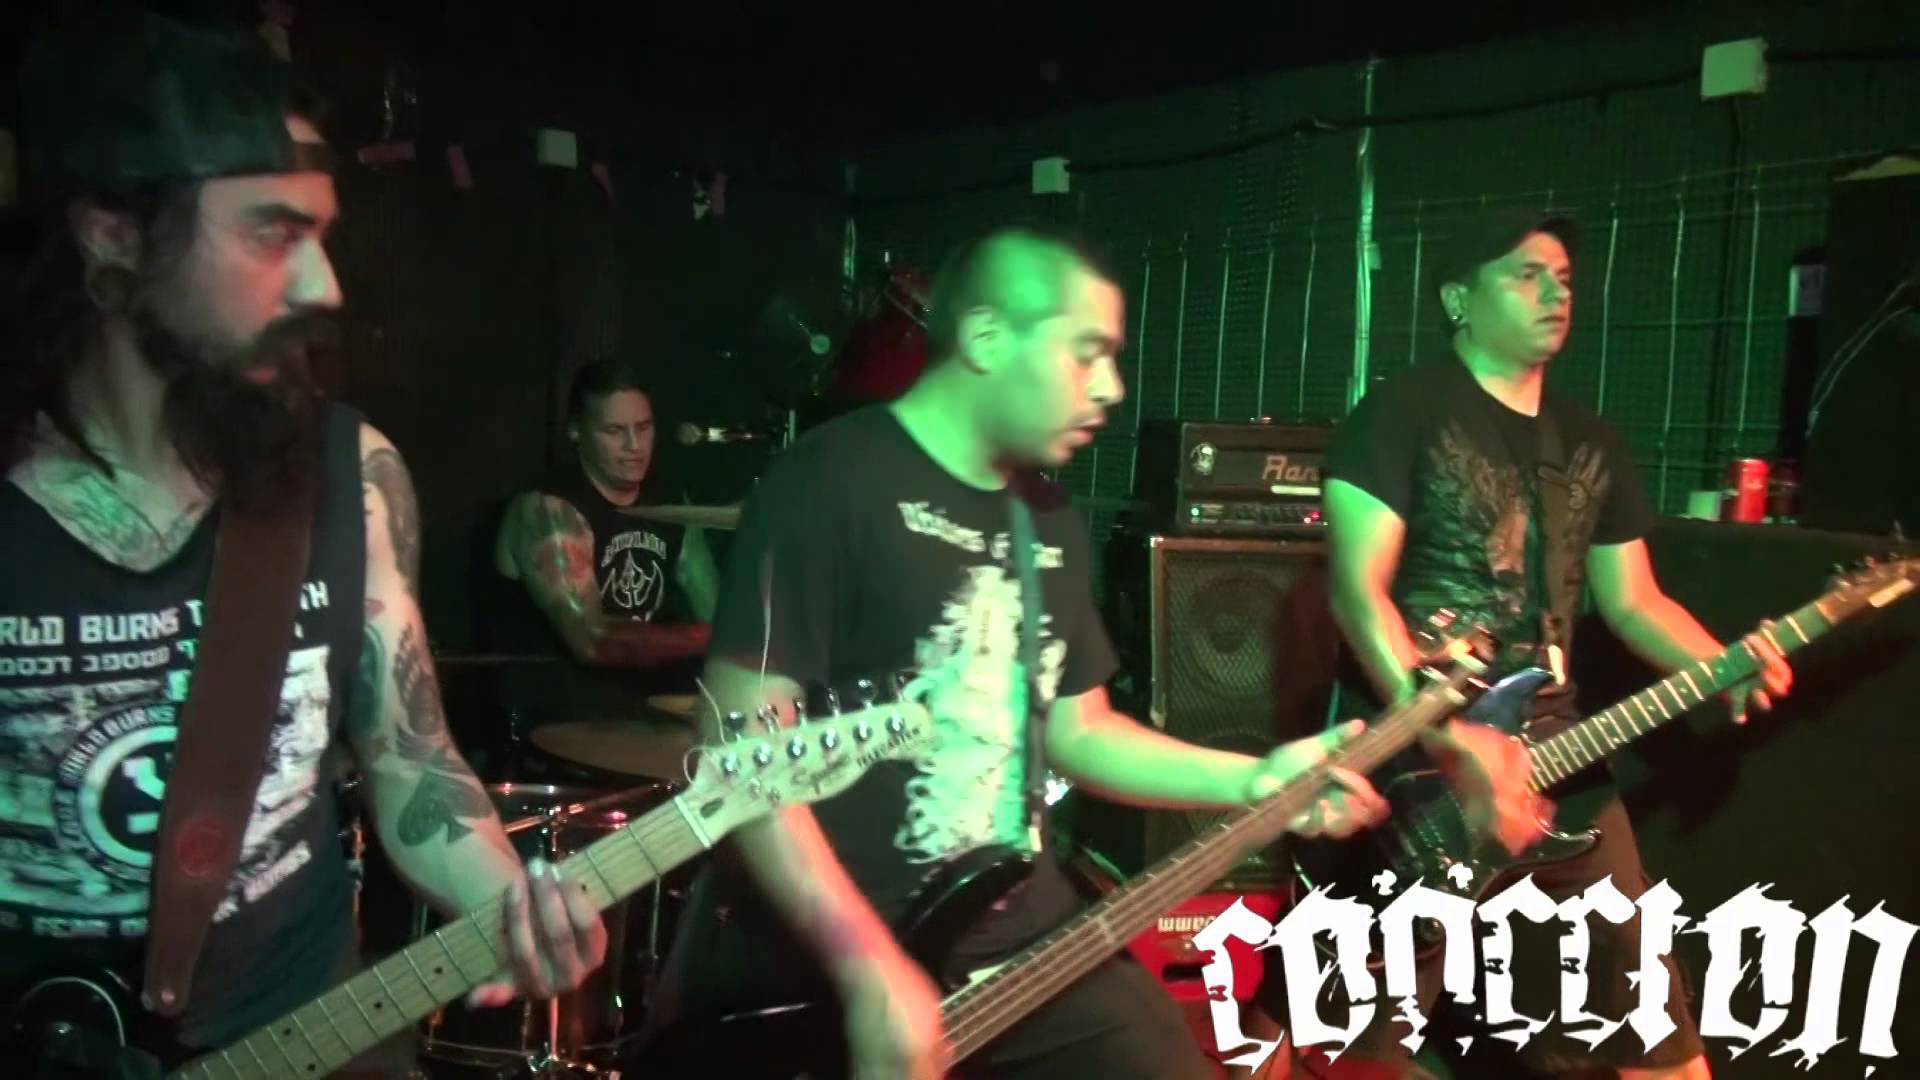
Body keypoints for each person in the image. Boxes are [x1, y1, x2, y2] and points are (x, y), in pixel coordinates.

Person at [637, 224, 1551, 1080]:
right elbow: (743, 755)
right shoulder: (830, 480)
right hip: (837, 953)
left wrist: (1257, 779)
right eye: (1088, 353)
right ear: (986, 337)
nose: (1111, 388)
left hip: (1021, 935)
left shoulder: (1046, 519)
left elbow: (1079, 731)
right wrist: (868, 968)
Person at [0, 9, 605, 1075]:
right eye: (272, 233)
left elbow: (411, 759)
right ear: (115, 235)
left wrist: (511, 901)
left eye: (321, 236)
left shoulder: (348, 473)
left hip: (316, 1036)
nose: (327, 286)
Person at [1285, 208, 1794, 1079]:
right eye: (1526, 274)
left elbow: (1635, 601)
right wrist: (1445, 736)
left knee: (1664, 1046)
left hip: (1561, 760)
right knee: (1358, 1053)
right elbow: (1356, 591)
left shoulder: (1589, 441)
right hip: (1425, 763)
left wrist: (1721, 664)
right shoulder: (1398, 413)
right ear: (1459, 298)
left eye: (1563, 278)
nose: (1555, 292)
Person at [490, 360, 719, 756]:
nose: (634, 445)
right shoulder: (548, 512)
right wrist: (709, 637)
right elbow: (592, 639)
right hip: (552, 725)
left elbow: (716, 612)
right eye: (614, 431)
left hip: (641, 718)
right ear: (576, 431)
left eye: (643, 428)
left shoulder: (671, 504)